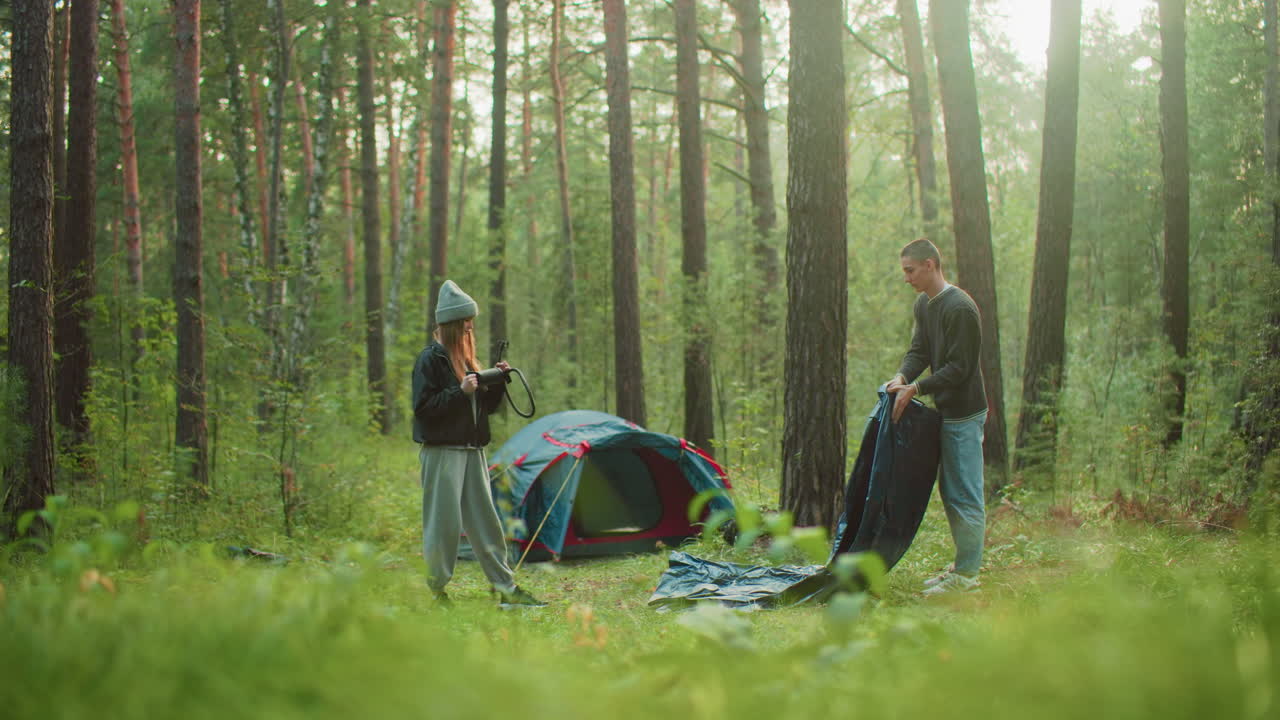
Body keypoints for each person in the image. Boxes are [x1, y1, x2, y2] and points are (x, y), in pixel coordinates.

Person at [411, 279, 544, 609]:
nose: (471, 330)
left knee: (486, 521)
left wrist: (496, 381)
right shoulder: (430, 360)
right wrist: (461, 392)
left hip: (473, 451)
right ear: (453, 325)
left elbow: (485, 409)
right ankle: (435, 592)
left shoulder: (466, 361)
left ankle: (505, 589)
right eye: (466, 325)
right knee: (444, 524)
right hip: (442, 453)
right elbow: (424, 409)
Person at [885, 238, 988, 596]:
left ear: (930, 265)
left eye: (910, 271)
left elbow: (960, 368)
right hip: (945, 412)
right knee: (951, 491)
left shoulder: (960, 308)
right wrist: (902, 377)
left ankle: (968, 577)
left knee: (965, 493)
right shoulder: (924, 305)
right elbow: (920, 351)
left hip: (964, 413)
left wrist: (917, 389)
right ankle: (962, 568)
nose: (907, 278)